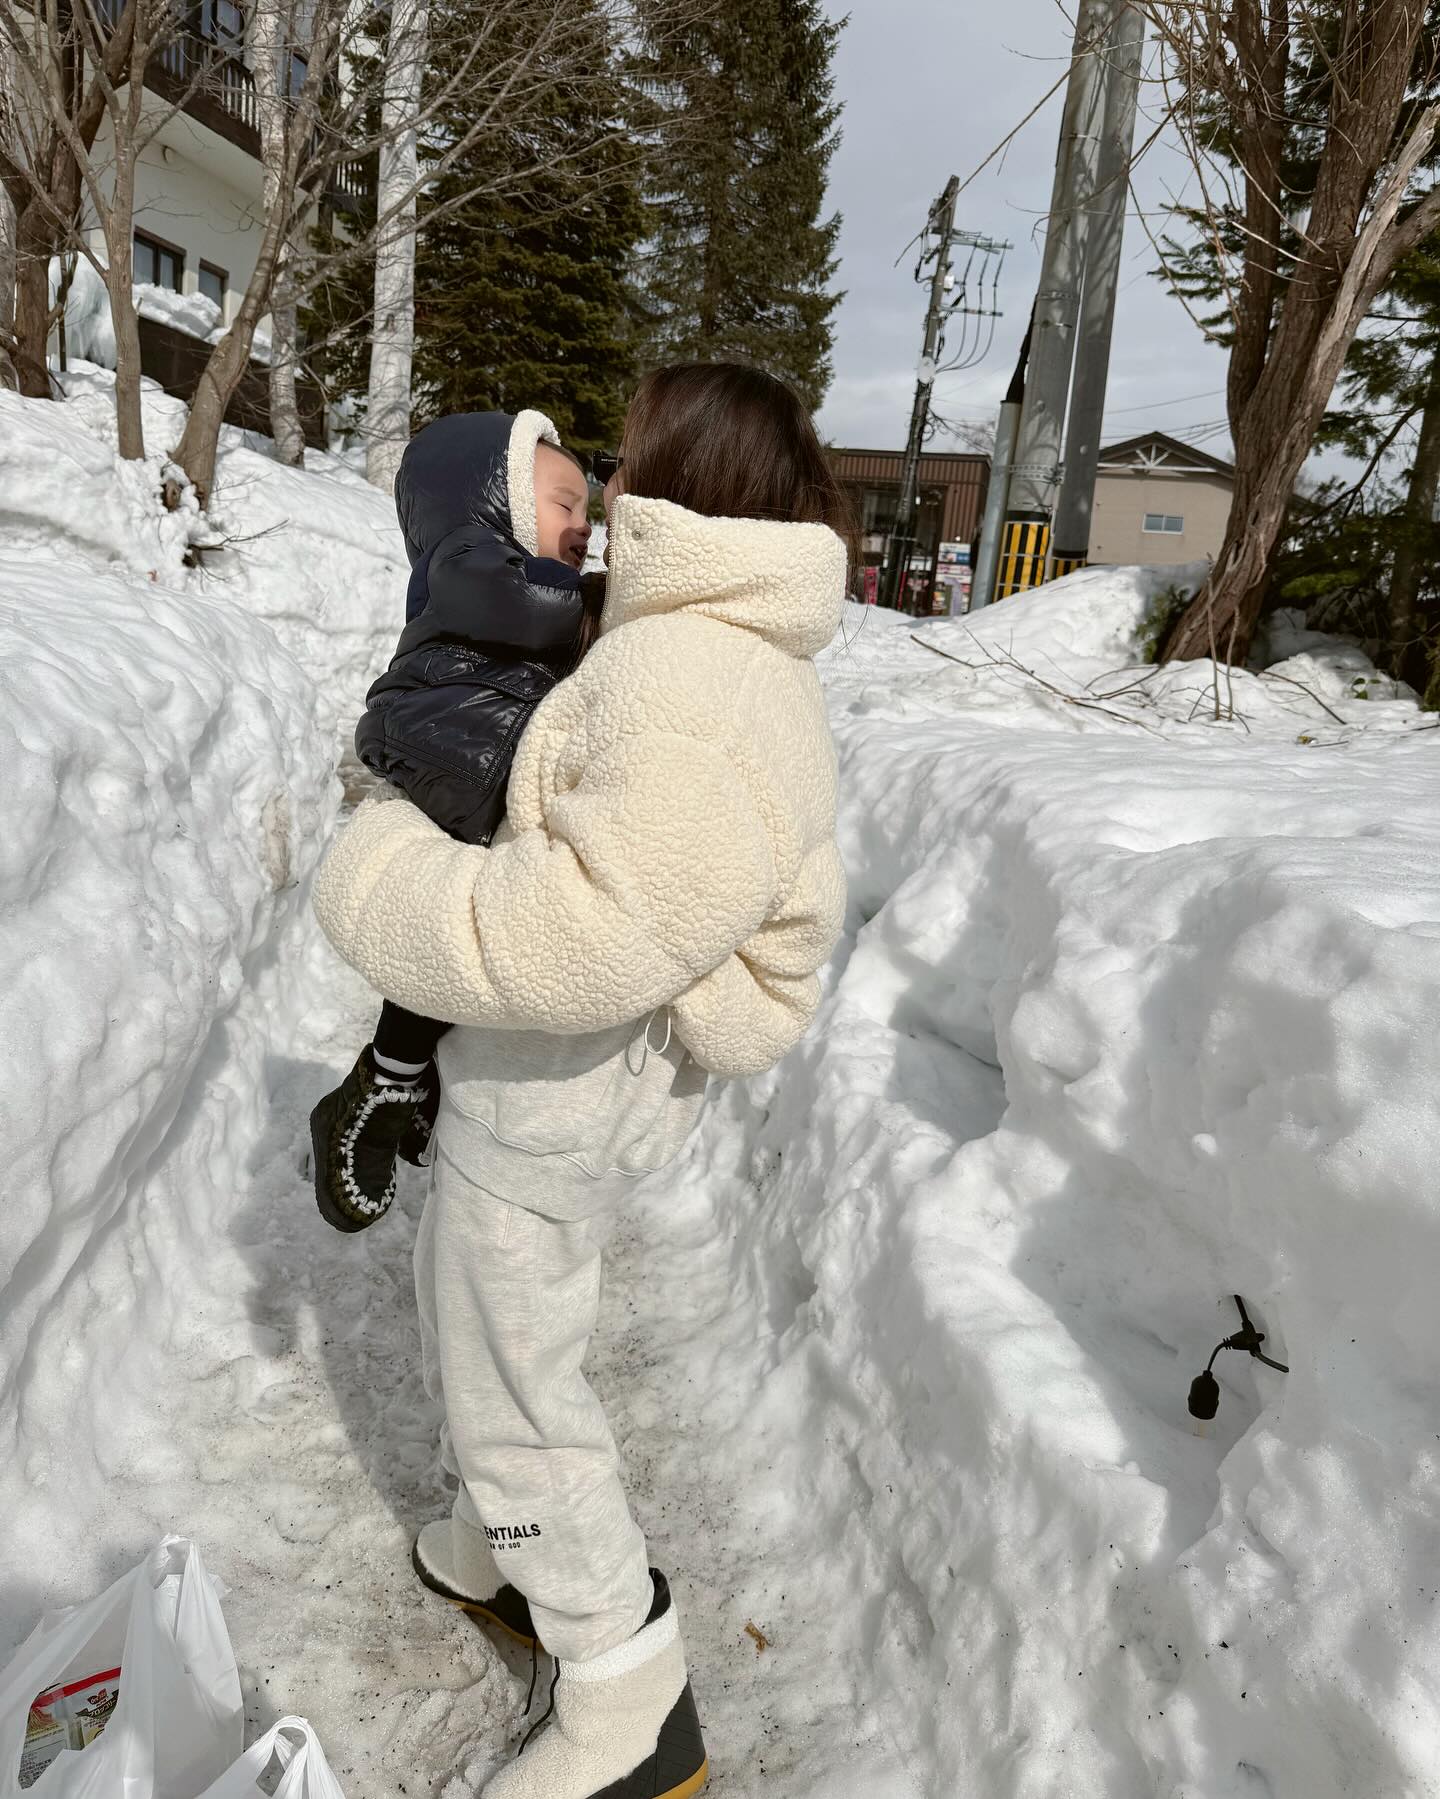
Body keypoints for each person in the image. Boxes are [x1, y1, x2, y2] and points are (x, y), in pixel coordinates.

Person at [312, 362, 852, 1799]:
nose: (607, 486)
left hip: (565, 1078)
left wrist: (374, 865)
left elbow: (582, 936)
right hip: (548, 1078)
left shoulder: (702, 684)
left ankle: (626, 1686)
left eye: (631, 452)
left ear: (687, 473)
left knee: (517, 1379)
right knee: (484, 1320)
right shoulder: (685, 640)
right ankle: (504, 1547)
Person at [308, 408, 598, 1231]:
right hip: (449, 745)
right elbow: (536, 608)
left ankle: (419, 1072)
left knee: (473, 931)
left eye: (586, 510)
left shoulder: (503, 561)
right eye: (562, 504)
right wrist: (603, 602)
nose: (582, 526)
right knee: (454, 927)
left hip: (474, 751)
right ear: (494, 498)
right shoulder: (471, 556)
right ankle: (384, 1076)